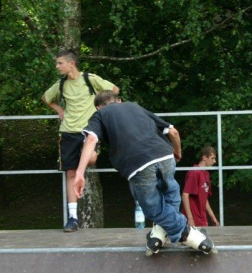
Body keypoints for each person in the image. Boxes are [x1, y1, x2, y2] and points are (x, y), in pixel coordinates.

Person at [73, 90, 215, 255]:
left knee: (152, 206)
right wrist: (177, 152)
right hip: (165, 154)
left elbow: (91, 139)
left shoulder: (100, 115)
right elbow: (173, 132)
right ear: (118, 101)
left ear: (98, 107)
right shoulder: (134, 107)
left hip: (138, 163)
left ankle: (189, 234)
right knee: (171, 192)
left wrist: (80, 173)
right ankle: (160, 234)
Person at [41, 49, 120, 232]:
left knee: (91, 158)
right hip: (68, 132)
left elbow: (114, 90)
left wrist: (104, 113)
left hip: (89, 132)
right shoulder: (61, 84)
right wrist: (59, 110)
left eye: (60, 63)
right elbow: (46, 98)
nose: (57, 66)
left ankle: (86, 163)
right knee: (70, 173)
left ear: (71, 63)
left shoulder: (89, 79)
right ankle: (73, 218)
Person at [182, 146, 220, 227]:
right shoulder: (195, 173)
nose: (214, 161)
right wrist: (190, 218)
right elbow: (185, 195)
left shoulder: (206, 173)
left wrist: (213, 217)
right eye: (212, 158)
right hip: (193, 219)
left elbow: (204, 198)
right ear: (204, 157)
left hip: (202, 219)